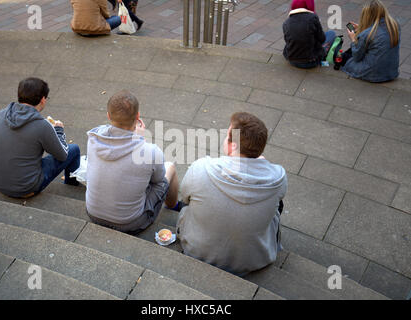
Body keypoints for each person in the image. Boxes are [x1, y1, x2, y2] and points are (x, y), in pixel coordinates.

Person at [176, 112, 288, 277]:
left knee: (189, 201)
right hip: (253, 260)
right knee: (277, 205)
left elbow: (185, 198)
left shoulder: (200, 168)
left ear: (231, 145)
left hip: (197, 251)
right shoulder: (279, 177)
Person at [86, 90, 179, 235]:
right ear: (137, 116)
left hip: (93, 214)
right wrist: (139, 141)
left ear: (108, 116)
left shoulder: (93, 138)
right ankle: (173, 206)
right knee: (169, 169)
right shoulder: (151, 152)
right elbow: (158, 180)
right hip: (130, 223)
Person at [0, 78, 80, 198]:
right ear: (43, 99)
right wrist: (58, 130)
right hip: (25, 188)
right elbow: (63, 155)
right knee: (74, 149)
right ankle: (71, 184)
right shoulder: (42, 125)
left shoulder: (2, 114)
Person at [340, 0, 400, 82]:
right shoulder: (394, 25)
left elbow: (357, 57)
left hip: (373, 74)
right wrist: (364, 28)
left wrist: (353, 38)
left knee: (345, 58)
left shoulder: (367, 34)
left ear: (367, 16)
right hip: (391, 72)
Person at [282, 0, 336, 69]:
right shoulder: (313, 18)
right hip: (311, 62)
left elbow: (287, 41)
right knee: (331, 34)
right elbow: (322, 39)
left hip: (292, 60)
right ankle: (324, 54)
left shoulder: (286, 22)